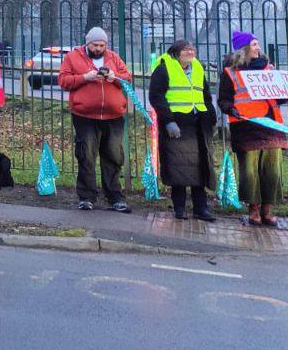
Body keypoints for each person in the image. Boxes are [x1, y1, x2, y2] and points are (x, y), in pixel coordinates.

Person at [57, 27, 134, 212]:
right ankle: (86, 197)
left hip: (113, 115)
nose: (99, 48)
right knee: (86, 156)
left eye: (102, 45)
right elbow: (63, 80)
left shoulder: (113, 58)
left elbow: (127, 78)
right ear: (87, 43)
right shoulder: (72, 57)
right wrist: (85, 77)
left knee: (114, 157)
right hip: (85, 116)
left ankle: (115, 196)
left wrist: (114, 77)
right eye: (95, 45)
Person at [218, 30, 288, 227]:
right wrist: (230, 108)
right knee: (249, 172)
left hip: (271, 126)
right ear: (245, 48)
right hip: (246, 127)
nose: (259, 47)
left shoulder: (268, 69)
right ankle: (254, 209)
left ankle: (268, 209)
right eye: (255, 44)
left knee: (272, 170)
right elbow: (223, 99)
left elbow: (279, 95)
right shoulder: (230, 73)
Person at [149, 39, 217, 221]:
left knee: (201, 167)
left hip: (198, 123)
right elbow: (156, 96)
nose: (191, 52)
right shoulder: (164, 68)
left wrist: (211, 116)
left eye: (192, 49)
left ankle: (201, 208)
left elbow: (205, 94)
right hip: (177, 123)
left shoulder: (198, 68)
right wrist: (168, 121)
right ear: (176, 52)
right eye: (186, 50)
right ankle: (179, 208)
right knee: (177, 167)